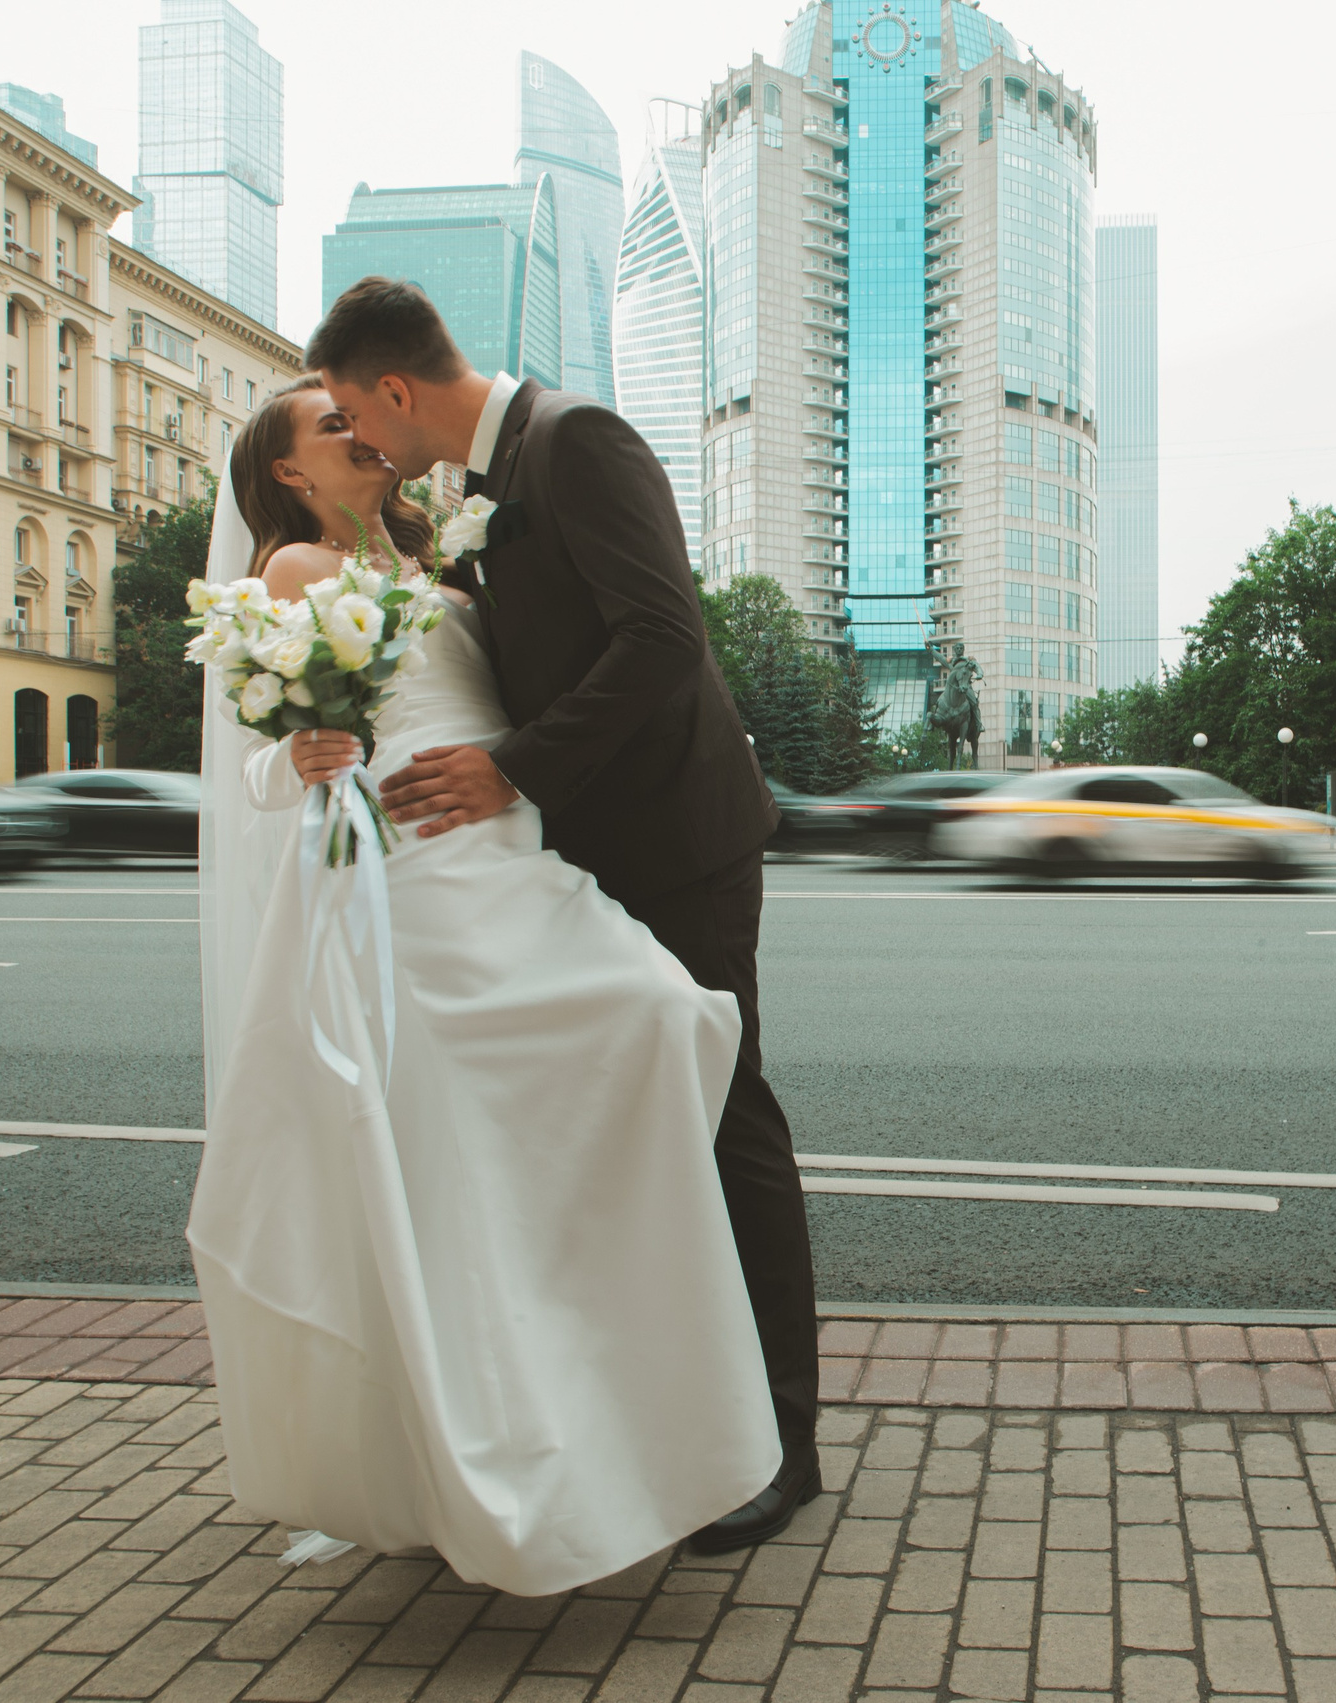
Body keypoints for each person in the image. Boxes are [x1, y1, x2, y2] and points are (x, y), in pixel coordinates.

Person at [189, 378, 780, 1593]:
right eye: (329, 429)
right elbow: (252, 766)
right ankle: (472, 1446)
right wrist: (302, 758)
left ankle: (610, 1403)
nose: (357, 435)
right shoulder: (294, 567)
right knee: (449, 1159)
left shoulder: (443, 542)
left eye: (356, 416)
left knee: (657, 1024)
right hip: (404, 873)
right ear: (290, 473)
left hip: (505, 844)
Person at [305, 278, 822, 1552]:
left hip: (676, 837)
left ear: (394, 391)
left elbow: (661, 638)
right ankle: (654, 1413)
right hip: (576, 853)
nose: (359, 443)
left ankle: (787, 1442)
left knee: (723, 1106)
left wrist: (514, 768)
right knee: (627, 1125)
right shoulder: (475, 484)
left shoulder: (575, 436)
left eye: (352, 418)